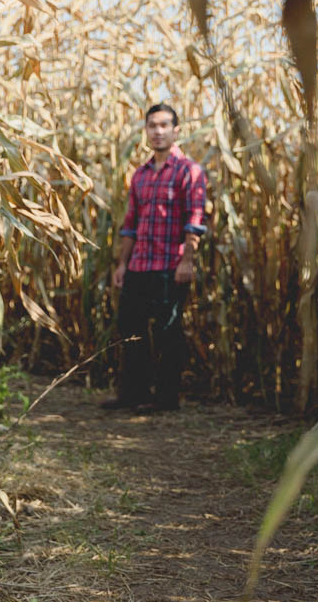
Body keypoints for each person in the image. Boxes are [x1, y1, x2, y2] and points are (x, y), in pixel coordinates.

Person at [100, 103, 208, 412]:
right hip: (139, 265)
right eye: (152, 126)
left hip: (169, 267)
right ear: (146, 130)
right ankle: (133, 393)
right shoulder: (141, 175)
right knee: (130, 329)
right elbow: (131, 223)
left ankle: (166, 398)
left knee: (167, 333)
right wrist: (122, 264)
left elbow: (195, 221)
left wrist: (187, 261)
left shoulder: (190, 171)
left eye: (164, 126)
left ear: (176, 131)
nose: (157, 131)